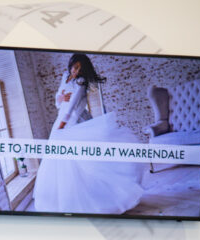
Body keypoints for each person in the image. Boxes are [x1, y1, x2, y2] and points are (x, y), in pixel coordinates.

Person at [32, 53, 146, 215]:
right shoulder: (65, 77)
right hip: (60, 122)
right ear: (70, 65)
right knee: (60, 163)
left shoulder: (81, 83)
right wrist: (60, 97)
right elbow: (58, 102)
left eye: (79, 68)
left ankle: (97, 198)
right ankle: (67, 200)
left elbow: (72, 107)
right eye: (74, 66)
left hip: (72, 122)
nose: (75, 71)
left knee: (84, 163)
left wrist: (63, 126)